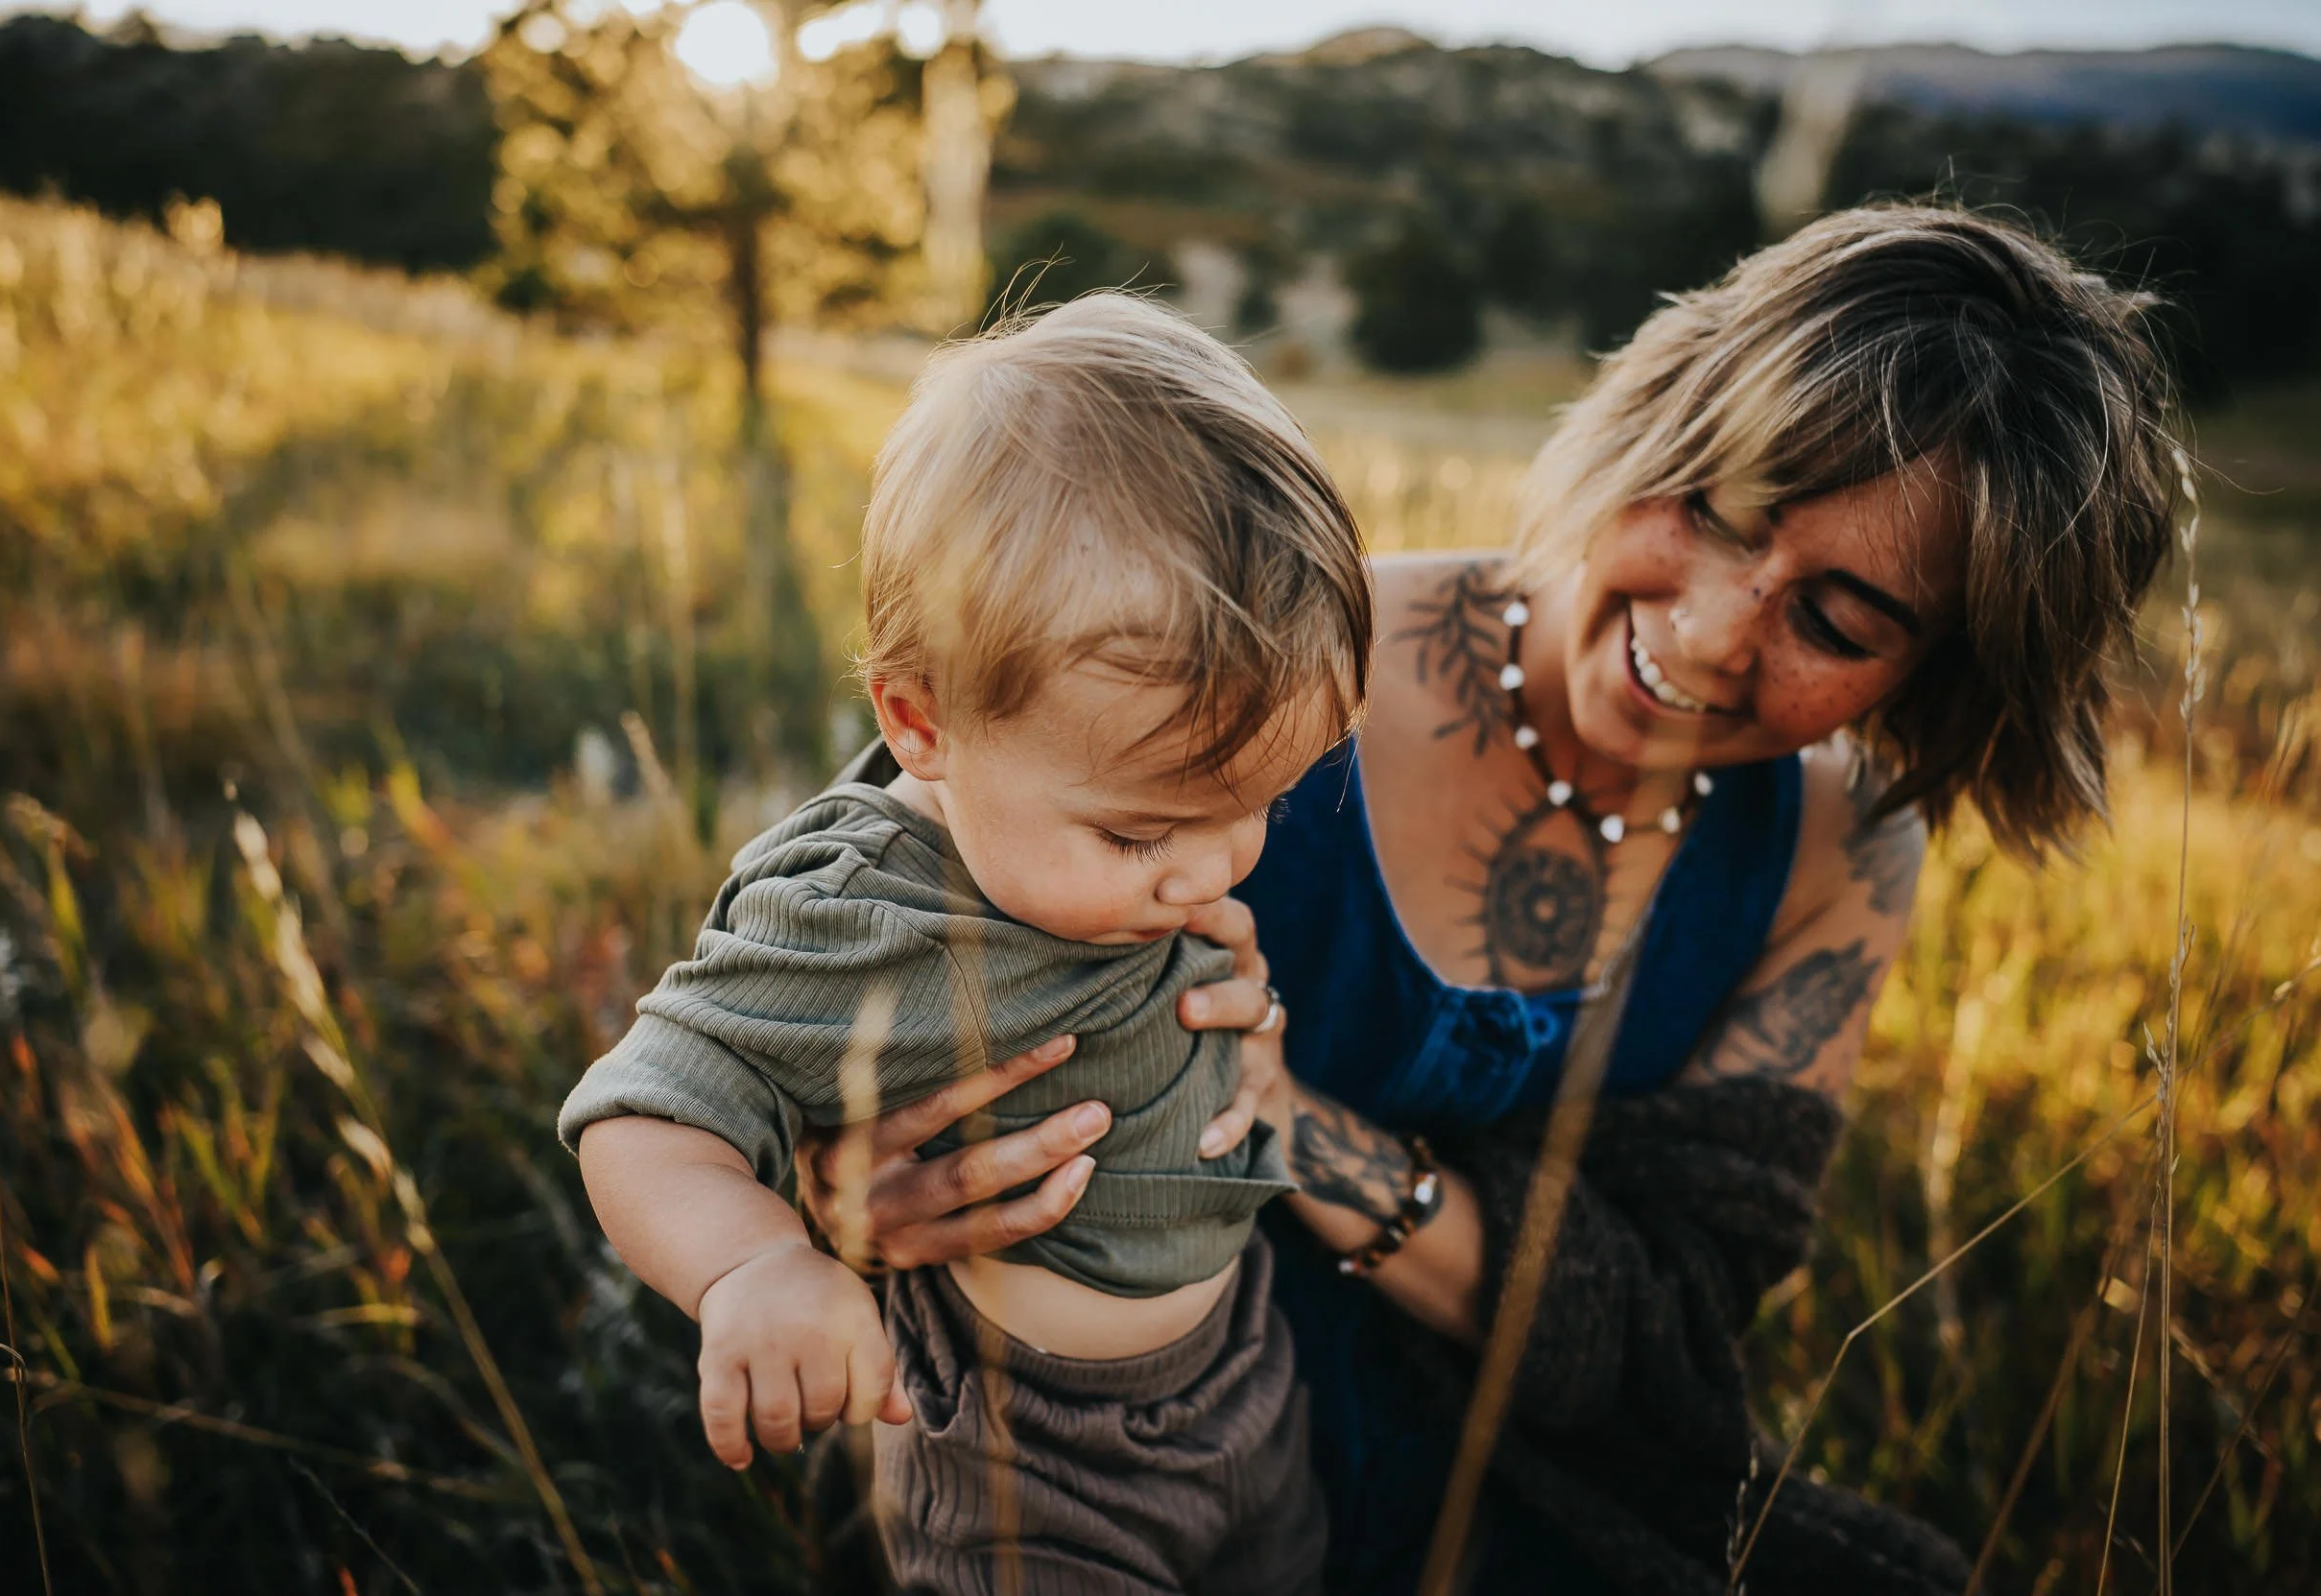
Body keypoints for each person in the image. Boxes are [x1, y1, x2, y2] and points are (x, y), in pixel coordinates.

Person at [798, 204, 2179, 1593]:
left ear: (1934, 679)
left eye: (1836, 621)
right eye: (1711, 507)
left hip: (1523, 1490)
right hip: (1096, 1458)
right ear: (1651, 413)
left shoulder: (1839, 849)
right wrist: (844, 1183)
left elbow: (1666, 1336)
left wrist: (1296, 1131)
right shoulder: (1252, 641)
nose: (1707, 629)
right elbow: (831, 988)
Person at [559, 292, 1374, 1596]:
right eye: (1138, 832)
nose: (1214, 866)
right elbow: (640, 1114)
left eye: (1256, 808)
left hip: (1241, 1381)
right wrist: (757, 1263)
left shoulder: (1113, 797)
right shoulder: (860, 910)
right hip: (1030, 1465)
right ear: (921, 721)